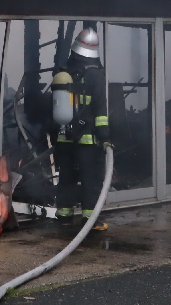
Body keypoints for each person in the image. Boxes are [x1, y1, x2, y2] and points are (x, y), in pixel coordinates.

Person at [52, 26, 112, 231]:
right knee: (90, 179)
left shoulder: (64, 73)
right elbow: (100, 112)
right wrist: (104, 137)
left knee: (66, 177)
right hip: (87, 140)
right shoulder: (95, 75)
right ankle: (90, 220)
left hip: (64, 137)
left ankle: (64, 216)